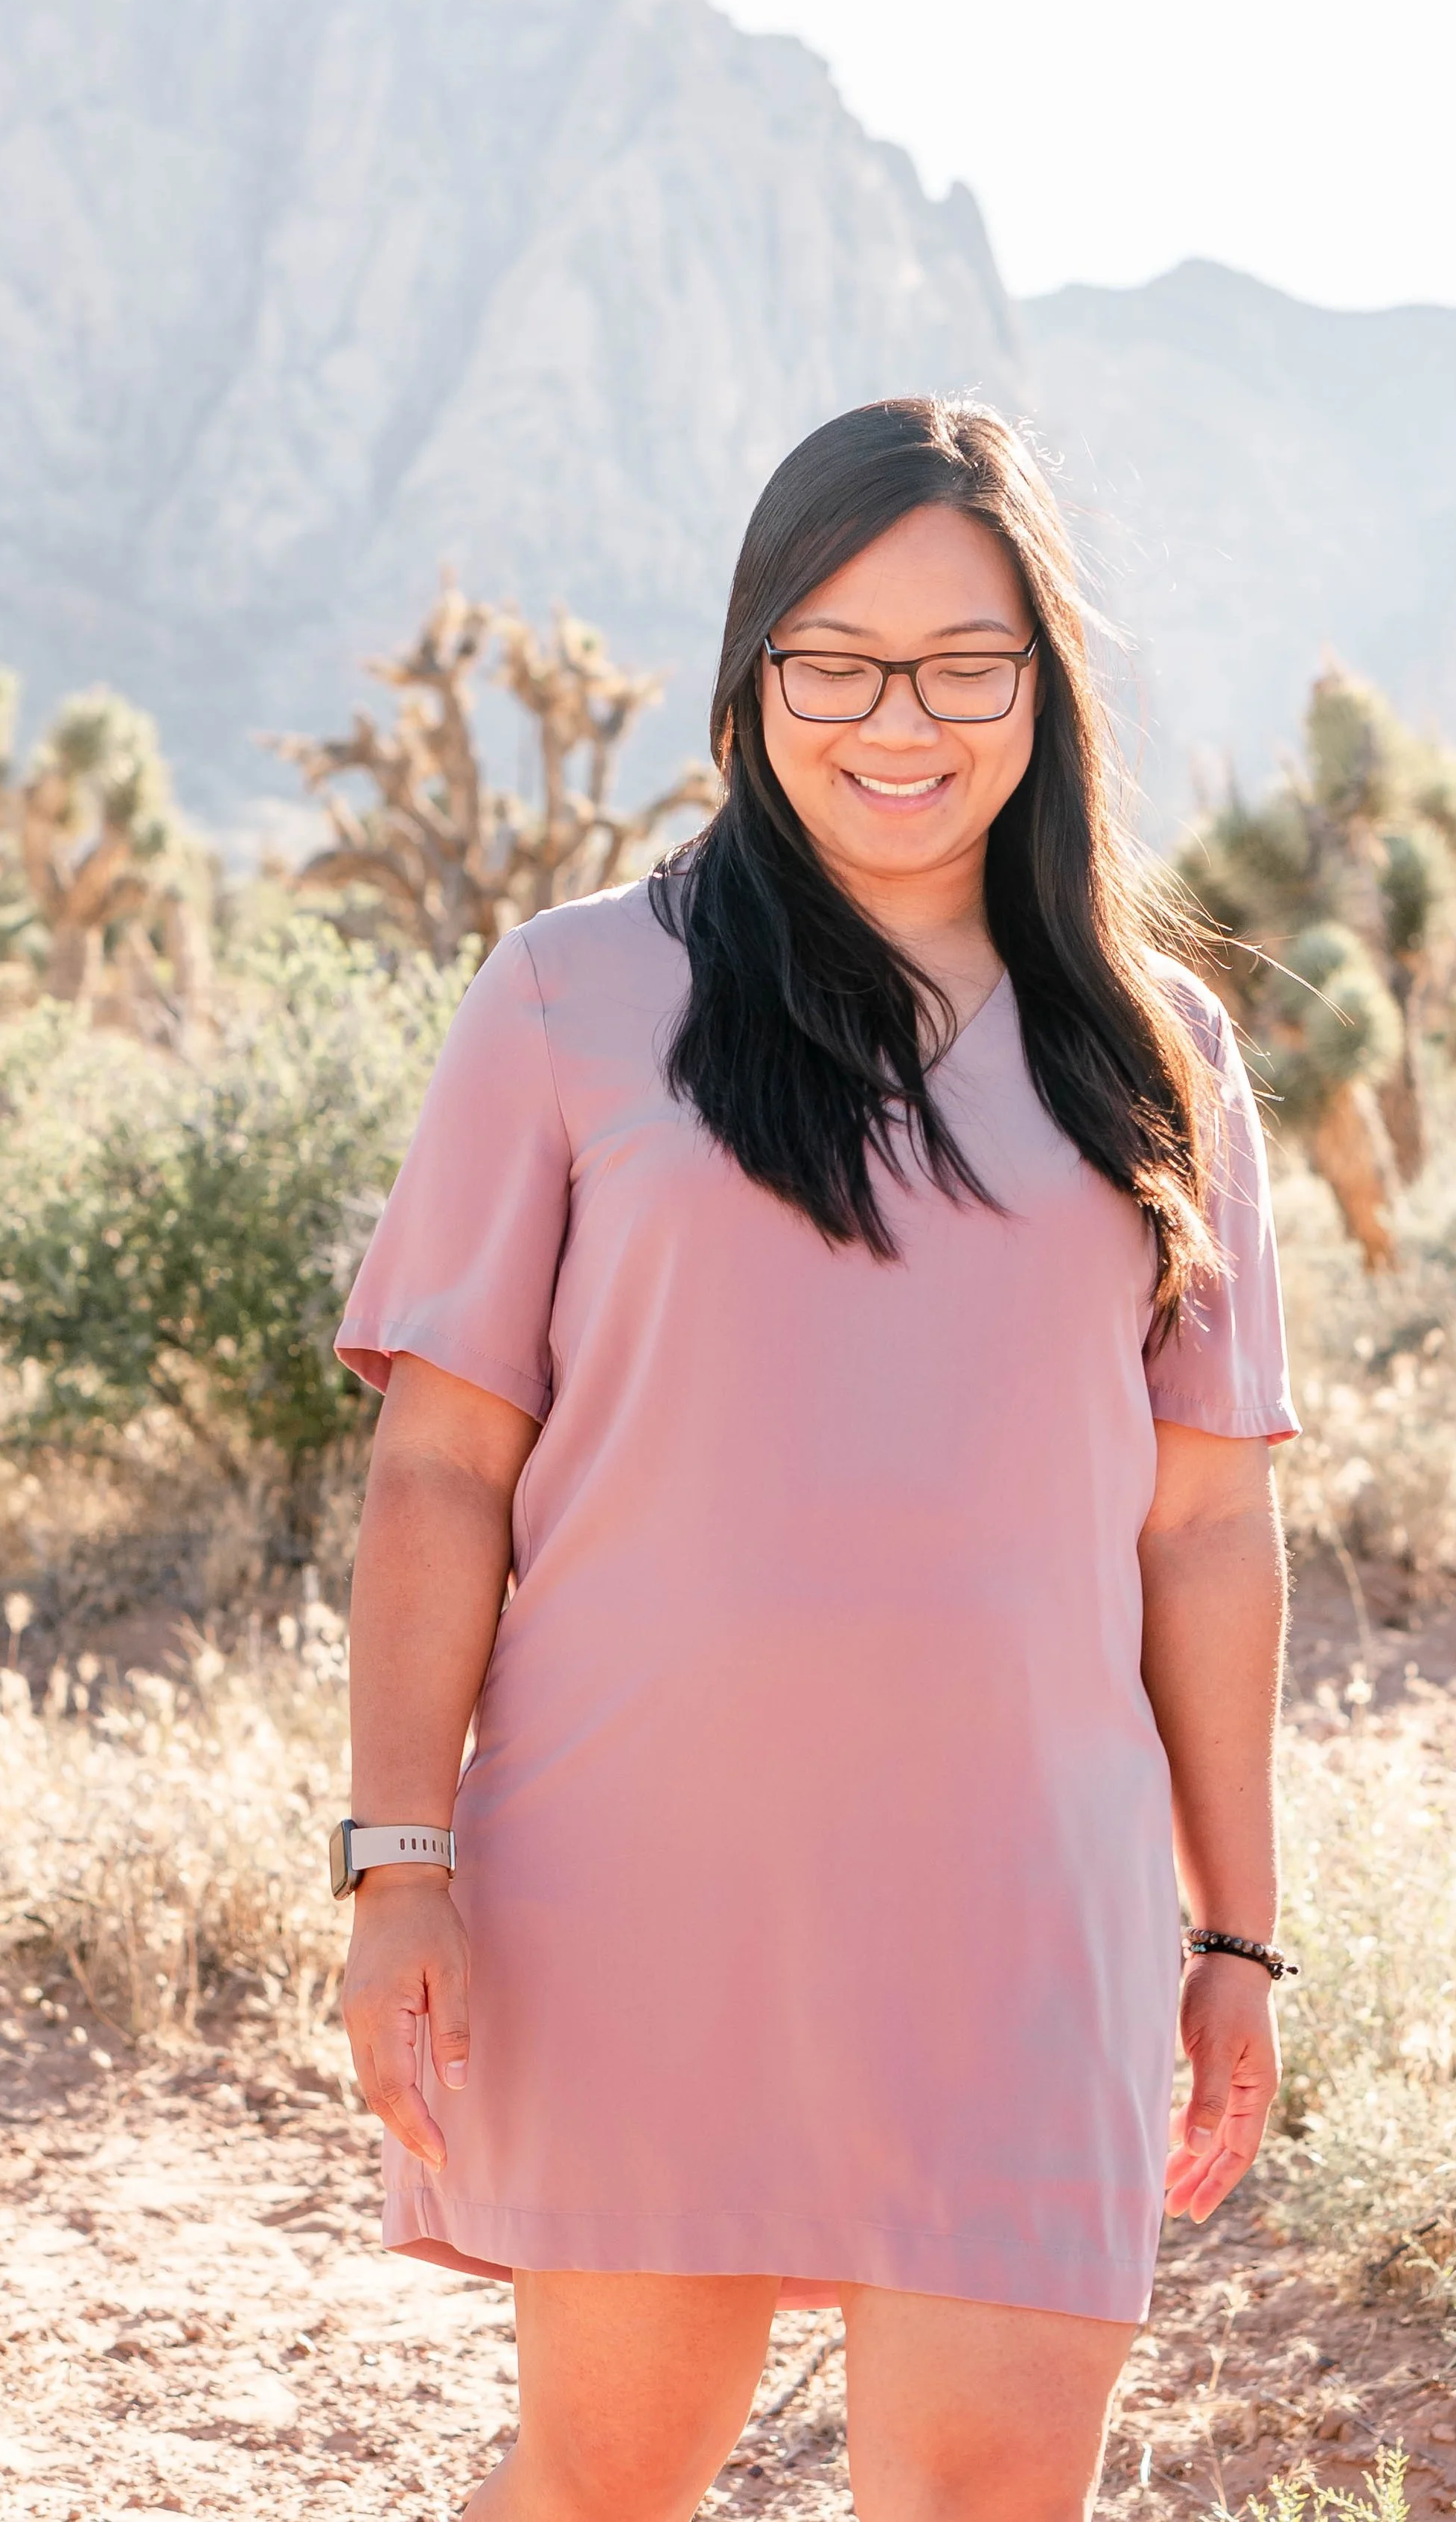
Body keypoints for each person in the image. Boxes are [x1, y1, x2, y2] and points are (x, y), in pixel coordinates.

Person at [335, 396, 1299, 2522]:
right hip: (640, 1868)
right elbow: (435, 1469)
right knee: (604, 2482)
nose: (901, 717)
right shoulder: (576, 999)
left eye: (966, 661)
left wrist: (1234, 1936)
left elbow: (1208, 1517)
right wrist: (395, 1857)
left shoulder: (1158, 1050)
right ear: (749, 668)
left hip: (1017, 1900)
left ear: (1042, 683)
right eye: (834, 658)